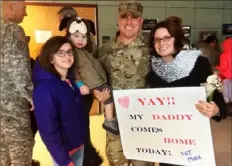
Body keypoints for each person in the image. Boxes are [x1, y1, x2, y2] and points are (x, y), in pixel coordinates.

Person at [146, 17, 227, 166]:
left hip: (192, 137)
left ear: (175, 38)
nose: (161, 43)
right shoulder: (151, 68)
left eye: (166, 38)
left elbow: (216, 96)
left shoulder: (198, 62)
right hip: (166, 138)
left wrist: (215, 109)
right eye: (157, 40)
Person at [95, 1, 154, 165]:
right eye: (124, 17)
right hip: (114, 120)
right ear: (118, 20)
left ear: (141, 21)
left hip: (144, 121)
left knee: (143, 163)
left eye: (134, 17)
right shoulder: (105, 50)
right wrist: (97, 92)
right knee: (117, 161)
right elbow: (96, 79)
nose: (129, 22)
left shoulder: (152, 48)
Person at [58, 8, 103, 166]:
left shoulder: (79, 44)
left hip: (81, 92)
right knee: (82, 125)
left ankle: (86, 157)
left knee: (79, 126)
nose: (80, 38)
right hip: (80, 91)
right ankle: (88, 156)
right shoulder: (76, 43)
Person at [32, 36, 85, 166]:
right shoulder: (45, 89)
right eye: (60, 53)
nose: (67, 56)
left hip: (78, 145)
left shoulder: (69, 82)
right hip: (64, 153)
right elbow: (48, 131)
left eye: (69, 52)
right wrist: (64, 161)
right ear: (51, 58)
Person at [66, 17, 119, 135]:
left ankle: (110, 118)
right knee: (108, 96)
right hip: (90, 84)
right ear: (69, 36)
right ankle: (109, 120)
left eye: (84, 37)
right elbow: (73, 71)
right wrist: (80, 84)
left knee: (109, 95)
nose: (80, 40)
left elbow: (96, 56)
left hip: (96, 81)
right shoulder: (72, 52)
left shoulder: (85, 50)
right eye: (76, 36)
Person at [1, 1, 35, 166]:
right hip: (12, 107)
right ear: (11, 7)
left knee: (3, 157)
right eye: (23, 9)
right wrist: (31, 96)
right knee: (20, 156)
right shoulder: (13, 30)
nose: (25, 13)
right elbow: (16, 67)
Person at [217, 37, 232, 115]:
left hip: (226, 77)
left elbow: (223, 67)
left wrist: (217, 68)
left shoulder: (224, 55)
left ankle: (227, 109)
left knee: (226, 94)